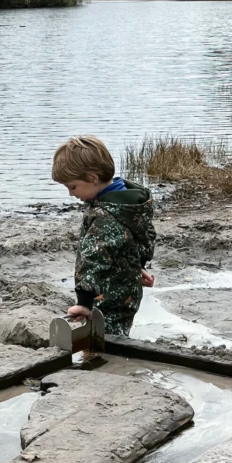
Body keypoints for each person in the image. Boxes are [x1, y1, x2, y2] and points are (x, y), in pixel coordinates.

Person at [51, 135, 155, 337]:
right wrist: (138, 265)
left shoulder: (105, 215)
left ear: (92, 177)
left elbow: (93, 258)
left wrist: (84, 302)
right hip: (128, 291)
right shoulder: (131, 204)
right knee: (117, 333)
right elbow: (144, 235)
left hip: (107, 295)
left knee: (105, 337)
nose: (71, 194)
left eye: (73, 187)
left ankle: (109, 362)